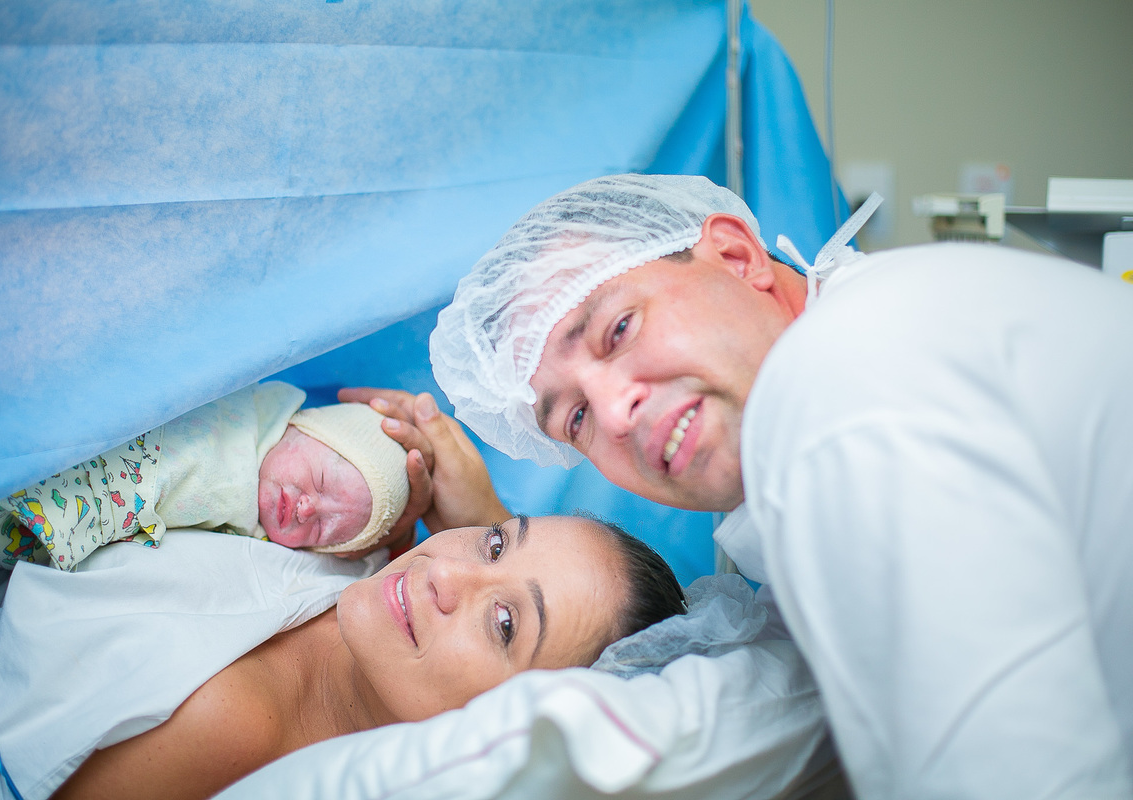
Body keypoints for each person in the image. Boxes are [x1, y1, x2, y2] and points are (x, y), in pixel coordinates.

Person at [358, 173, 1133, 798]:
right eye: (576, 419)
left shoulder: (839, 397)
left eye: (617, 330)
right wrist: (490, 541)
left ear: (736, 257)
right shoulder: (869, 335)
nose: (618, 411)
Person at [0, 427, 687, 800]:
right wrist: (482, 517)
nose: (447, 574)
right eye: (496, 543)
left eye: (505, 626)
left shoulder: (233, 722)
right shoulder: (364, 564)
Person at [0, 381, 419, 570]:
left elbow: (360, 572)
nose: (306, 507)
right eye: (320, 480)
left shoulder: (254, 541)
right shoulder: (242, 412)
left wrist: (396, 536)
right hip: (48, 455)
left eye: (321, 529)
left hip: (14, 534)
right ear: (300, 427)